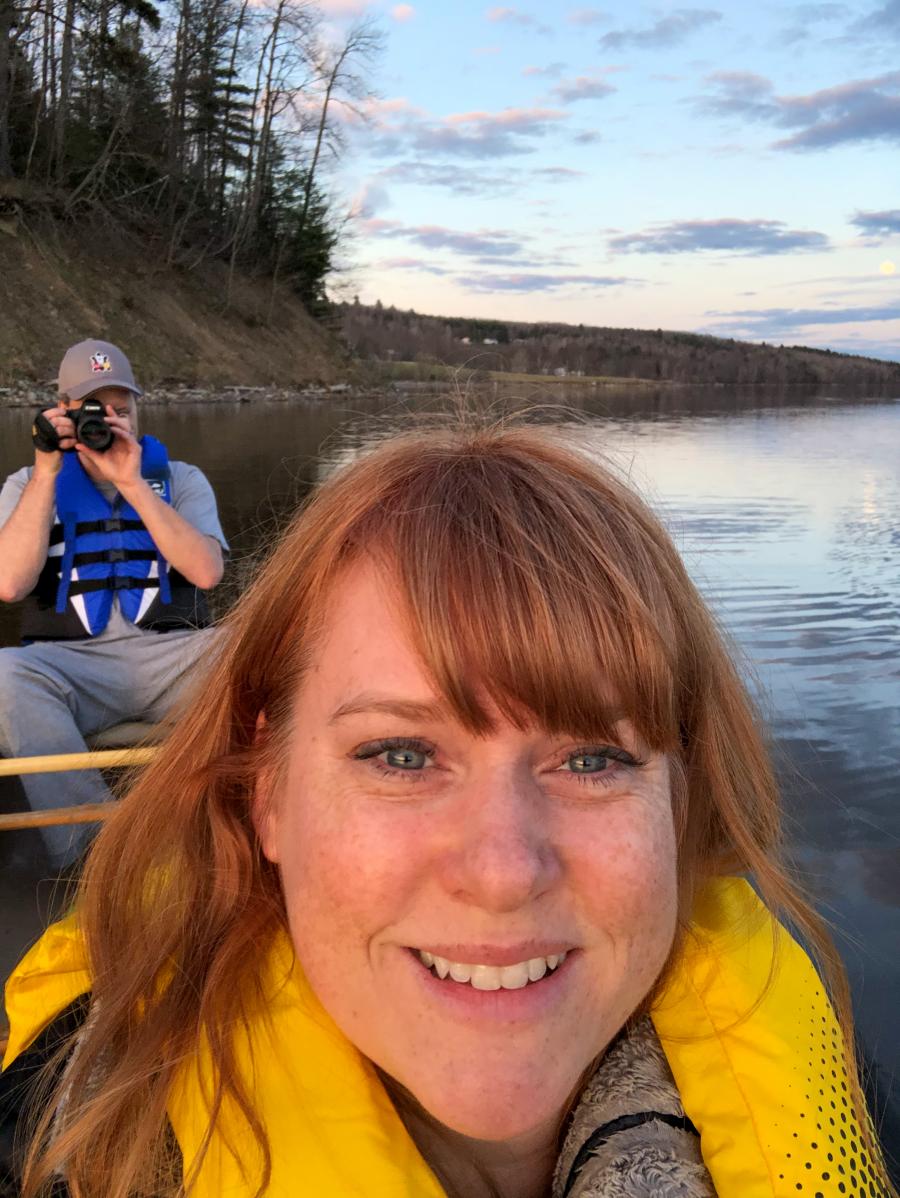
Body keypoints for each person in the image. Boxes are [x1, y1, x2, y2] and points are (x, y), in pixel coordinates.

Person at [0, 421, 894, 1198]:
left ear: (681, 804)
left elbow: (200, 565)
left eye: (591, 758)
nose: (502, 872)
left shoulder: (840, 1106)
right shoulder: (54, 1142)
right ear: (267, 792)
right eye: (401, 754)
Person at [0, 339, 227, 867]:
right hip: (74, 668)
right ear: (63, 412)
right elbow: (9, 585)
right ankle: (96, 855)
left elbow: (206, 572)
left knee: (261, 648)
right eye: (92, 412)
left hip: (177, 661)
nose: (108, 422)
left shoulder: (183, 479)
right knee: (5, 673)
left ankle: (234, 833)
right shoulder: (25, 485)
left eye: (120, 410)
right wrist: (48, 472)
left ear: (137, 409)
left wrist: (133, 482)